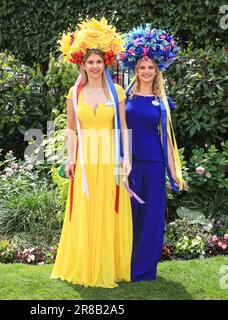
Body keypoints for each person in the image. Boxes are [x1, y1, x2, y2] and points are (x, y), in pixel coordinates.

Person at [50, 17, 135, 288]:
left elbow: (122, 126)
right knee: (85, 210)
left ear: (104, 64)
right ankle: (86, 264)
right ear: (83, 65)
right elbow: (71, 130)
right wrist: (70, 159)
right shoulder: (74, 93)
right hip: (87, 159)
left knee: (108, 210)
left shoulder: (117, 92)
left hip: (110, 157)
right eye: (90, 62)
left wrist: (127, 159)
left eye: (99, 62)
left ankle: (108, 265)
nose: (95, 66)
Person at [120, 24, 189, 281]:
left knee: (150, 217)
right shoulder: (124, 99)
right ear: (135, 71)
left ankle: (143, 269)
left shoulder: (163, 104)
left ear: (157, 71)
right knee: (128, 216)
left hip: (154, 165)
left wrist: (175, 173)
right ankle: (123, 263)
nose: (146, 71)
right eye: (142, 67)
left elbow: (167, 141)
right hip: (129, 164)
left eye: (150, 67)